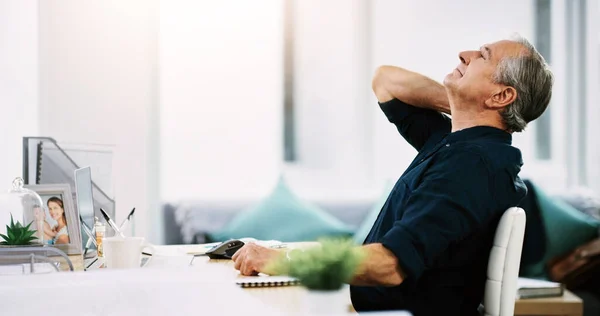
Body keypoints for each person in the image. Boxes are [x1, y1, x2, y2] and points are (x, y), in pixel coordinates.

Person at [231, 35, 553, 316]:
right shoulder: (457, 141)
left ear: (501, 96)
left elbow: (390, 265)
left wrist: (284, 260)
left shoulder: (470, 169)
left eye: (482, 55)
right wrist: (464, 105)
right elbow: (385, 81)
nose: (464, 54)